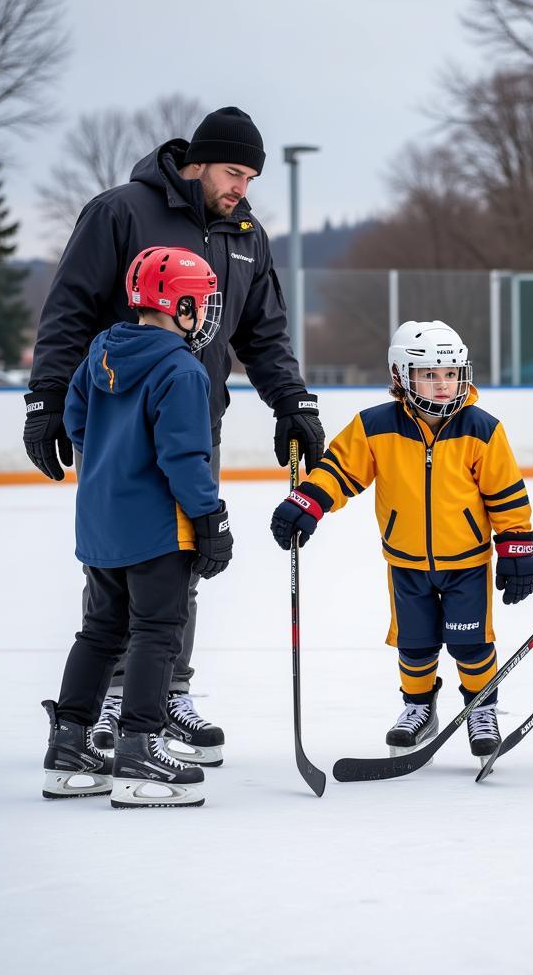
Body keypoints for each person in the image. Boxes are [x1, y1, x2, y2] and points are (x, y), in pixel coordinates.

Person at [23, 107, 325, 763]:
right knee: (123, 569)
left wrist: (292, 405)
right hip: (121, 429)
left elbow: (263, 334)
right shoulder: (122, 212)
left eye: (251, 177)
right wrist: (48, 400)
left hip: (195, 422)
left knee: (177, 567)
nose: (242, 187)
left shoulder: (245, 234)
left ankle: (163, 697)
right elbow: (69, 307)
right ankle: (113, 703)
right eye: (232, 171)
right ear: (197, 161)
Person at [269, 320, 533, 759]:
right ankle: (418, 708)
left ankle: (480, 708)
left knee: (471, 643)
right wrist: (307, 501)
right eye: (428, 374)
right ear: (401, 375)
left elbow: (506, 494)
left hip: (466, 563)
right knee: (414, 645)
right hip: (406, 562)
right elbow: (340, 470)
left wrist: (517, 549)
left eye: (450, 374)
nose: (441, 384)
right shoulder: (375, 426)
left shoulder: (482, 429)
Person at [42, 246, 233, 808]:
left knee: (100, 632)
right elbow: (185, 456)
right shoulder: (181, 368)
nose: (206, 312)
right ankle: (140, 747)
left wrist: (113, 464)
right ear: (180, 306)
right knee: (156, 631)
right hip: (156, 529)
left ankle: (70, 745)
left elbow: (78, 426)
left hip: (100, 524)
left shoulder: (99, 351)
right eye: (201, 302)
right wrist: (209, 520)